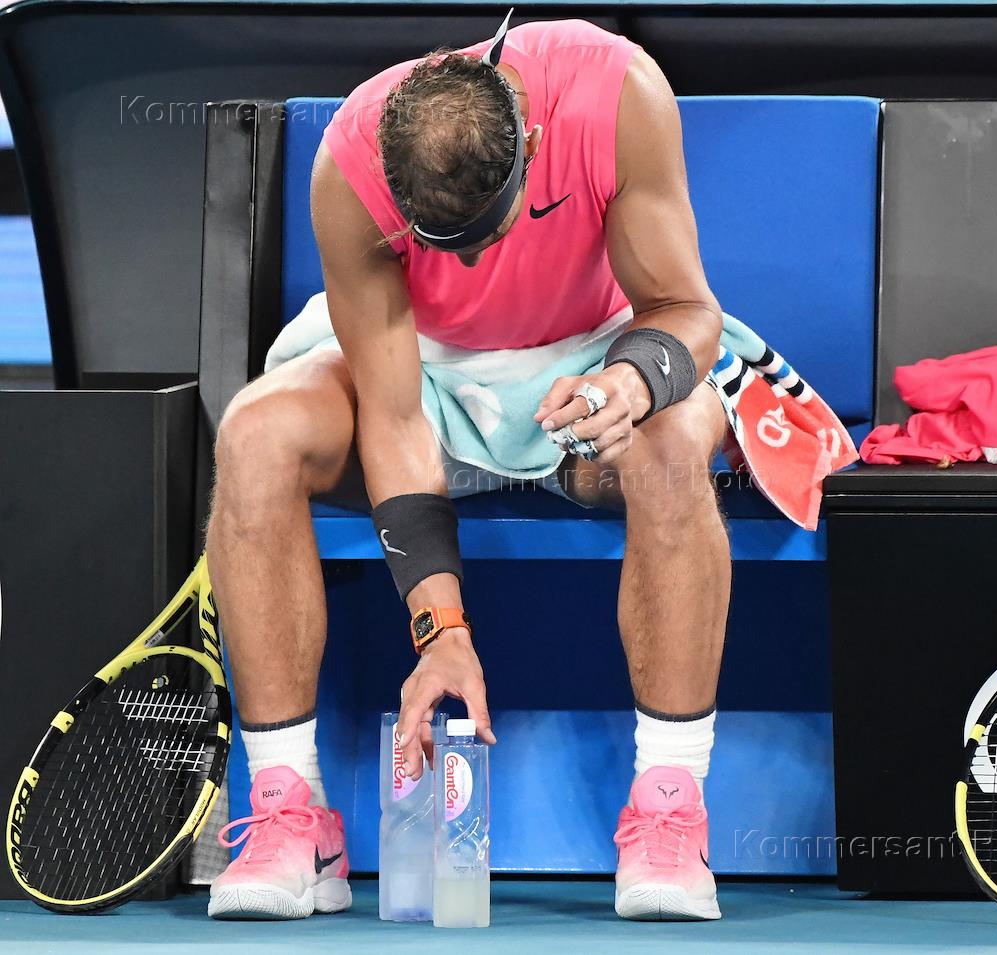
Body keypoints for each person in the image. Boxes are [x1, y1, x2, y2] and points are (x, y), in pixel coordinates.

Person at [205, 13, 728, 922]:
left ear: (533, 143)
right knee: (255, 433)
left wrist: (632, 384)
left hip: (593, 359)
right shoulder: (350, 164)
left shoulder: (617, 92)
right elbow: (395, 414)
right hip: (426, 368)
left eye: (486, 233)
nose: (476, 260)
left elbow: (687, 308)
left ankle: (670, 808)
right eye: (449, 245)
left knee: (676, 444)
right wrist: (440, 629)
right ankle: (293, 813)